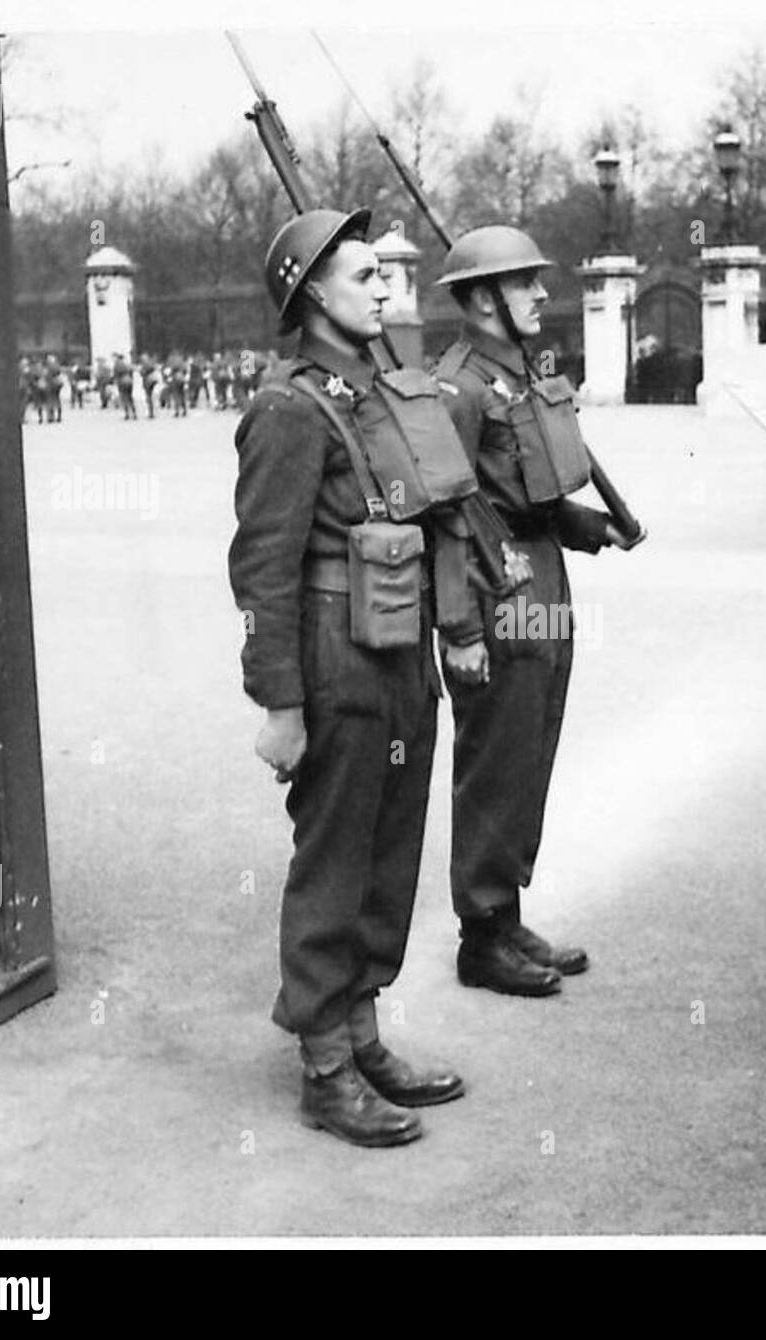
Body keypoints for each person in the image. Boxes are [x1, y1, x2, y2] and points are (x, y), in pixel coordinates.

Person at [229, 208, 490, 1147]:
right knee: (335, 862)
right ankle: (325, 1069)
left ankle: (363, 1032)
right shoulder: (289, 408)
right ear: (311, 295)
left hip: (400, 651)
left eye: (385, 274)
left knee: (388, 855)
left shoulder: (380, 394)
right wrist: (281, 704)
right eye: (363, 276)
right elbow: (263, 570)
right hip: (336, 663)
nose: (385, 288)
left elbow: (439, 511)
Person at [431, 225, 638, 997]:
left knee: (530, 750)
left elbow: (528, 498)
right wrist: (458, 628)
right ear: (483, 300)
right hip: (495, 589)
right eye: (525, 284)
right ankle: (480, 936)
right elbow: (448, 517)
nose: (543, 294)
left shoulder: (517, 376)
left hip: (542, 580)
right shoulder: (458, 388)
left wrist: (591, 530)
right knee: (494, 759)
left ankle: (506, 912)